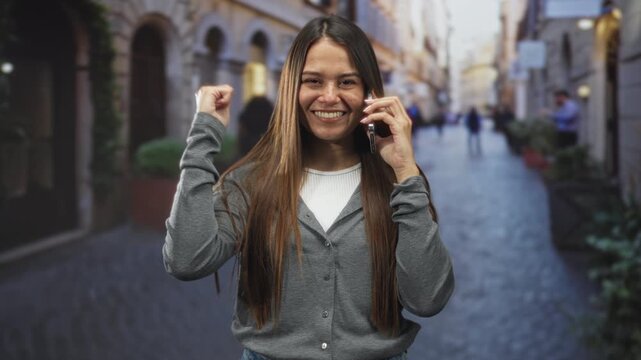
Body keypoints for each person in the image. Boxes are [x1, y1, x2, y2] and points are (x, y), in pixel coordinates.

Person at [163, 15, 454, 360]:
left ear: (369, 93)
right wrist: (203, 136)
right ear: (291, 89)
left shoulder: (399, 185)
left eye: (347, 82)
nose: (329, 97)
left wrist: (406, 170)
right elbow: (186, 259)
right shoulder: (251, 183)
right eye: (313, 81)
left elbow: (427, 299)